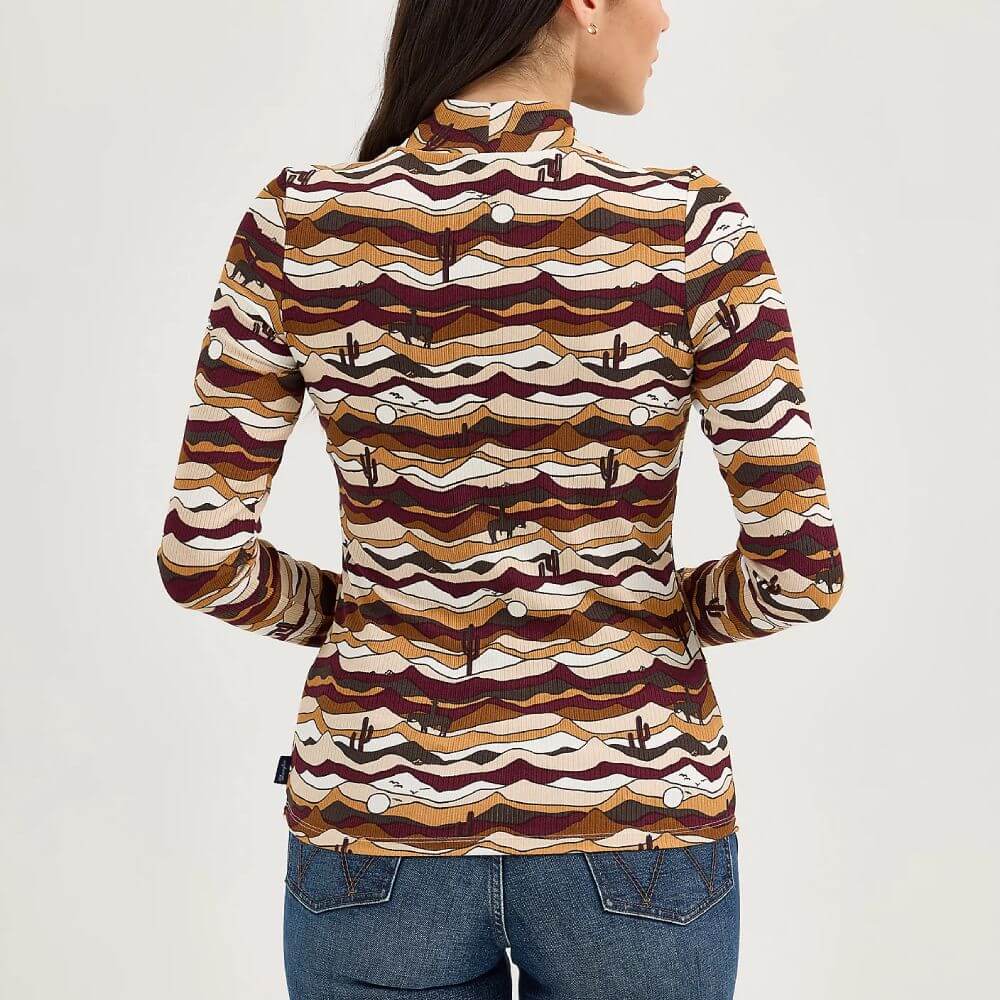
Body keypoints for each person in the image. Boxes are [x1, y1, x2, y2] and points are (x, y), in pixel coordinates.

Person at [155, 1, 846, 996]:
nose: (664, 15)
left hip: (376, 818)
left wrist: (372, 615)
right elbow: (800, 572)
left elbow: (201, 559)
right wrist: (642, 614)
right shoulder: (689, 229)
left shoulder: (298, 225)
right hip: (634, 818)